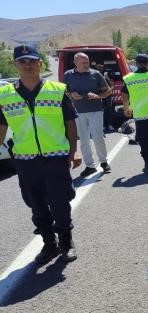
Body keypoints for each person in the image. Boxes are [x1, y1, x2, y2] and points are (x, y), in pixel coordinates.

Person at [0, 45, 82, 263]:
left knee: (59, 201)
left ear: (40, 64)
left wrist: (73, 152)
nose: (27, 65)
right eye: (22, 61)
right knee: (35, 203)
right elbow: (1, 126)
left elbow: (70, 123)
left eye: (32, 61)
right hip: (25, 160)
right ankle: (49, 244)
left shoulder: (56, 89)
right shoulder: (4, 95)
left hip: (55, 157)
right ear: (15, 65)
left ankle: (66, 242)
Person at [63, 52, 112, 177]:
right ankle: (90, 166)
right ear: (75, 63)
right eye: (83, 63)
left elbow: (108, 90)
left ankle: (104, 162)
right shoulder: (68, 75)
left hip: (96, 110)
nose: (86, 65)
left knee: (97, 136)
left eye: (87, 62)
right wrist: (71, 94)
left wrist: (98, 96)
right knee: (83, 140)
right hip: (78, 112)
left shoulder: (96, 74)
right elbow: (63, 91)